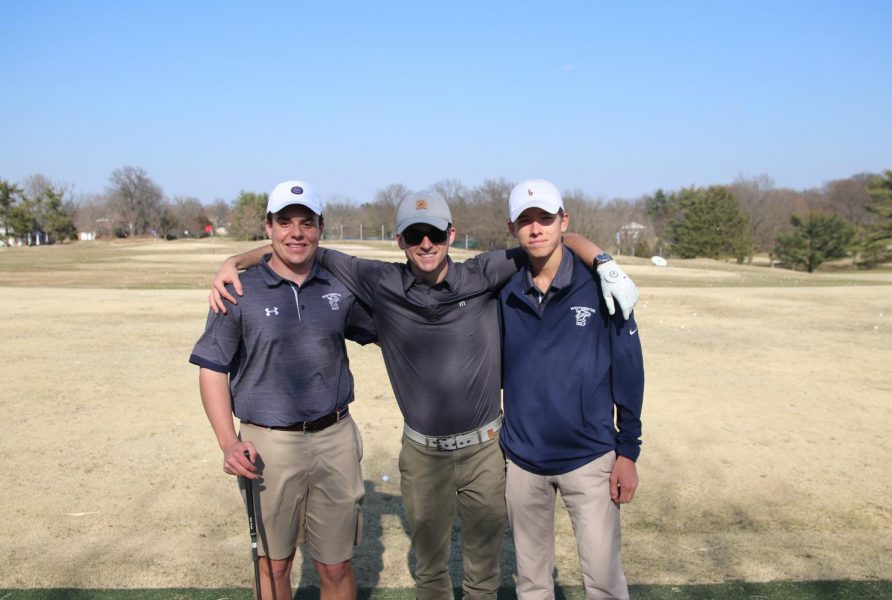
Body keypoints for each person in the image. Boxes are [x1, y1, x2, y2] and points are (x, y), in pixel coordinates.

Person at [209, 190, 639, 600]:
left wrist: (603, 261)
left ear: (452, 234)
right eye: (415, 235)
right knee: (430, 570)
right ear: (400, 240)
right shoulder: (380, 281)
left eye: (435, 233)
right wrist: (234, 260)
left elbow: (550, 237)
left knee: (484, 571)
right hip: (422, 454)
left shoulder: (485, 272)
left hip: (486, 451)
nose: (426, 243)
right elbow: (303, 249)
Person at [189, 180, 376, 600]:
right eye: (285, 222)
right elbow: (212, 369)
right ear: (268, 227)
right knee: (274, 565)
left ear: (320, 228)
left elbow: (391, 330)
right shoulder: (238, 290)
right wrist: (226, 443)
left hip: (335, 438)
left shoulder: (338, 286)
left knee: (337, 564)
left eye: (306, 223)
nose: (296, 233)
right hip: (268, 443)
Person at [499, 179, 644, 600]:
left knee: (603, 581)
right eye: (525, 221)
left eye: (545, 218)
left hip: (591, 458)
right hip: (523, 462)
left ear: (564, 220)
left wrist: (628, 450)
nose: (536, 229)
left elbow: (629, 370)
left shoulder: (600, 284)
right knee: (532, 585)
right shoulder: (503, 285)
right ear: (512, 229)